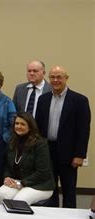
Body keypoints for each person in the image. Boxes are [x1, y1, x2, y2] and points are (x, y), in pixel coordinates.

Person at [35, 66, 91, 208]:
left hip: (69, 154)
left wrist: (80, 155)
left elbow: (83, 131)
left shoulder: (80, 101)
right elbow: (38, 128)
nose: (55, 80)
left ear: (66, 78)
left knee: (69, 190)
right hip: (47, 152)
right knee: (49, 190)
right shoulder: (43, 100)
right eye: (52, 77)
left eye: (59, 77)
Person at [0, 112, 54, 204]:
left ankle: (17, 218)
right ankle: (6, 218)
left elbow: (43, 172)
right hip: (18, 181)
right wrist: (7, 177)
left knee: (19, 201)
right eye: (17, 123)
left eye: (23, 124)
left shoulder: (40, 143)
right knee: (1, 194)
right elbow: (7, 164)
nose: (18, 126)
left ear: (30, 126)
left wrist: (22, 183)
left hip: (39, 185)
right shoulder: (12, 141)